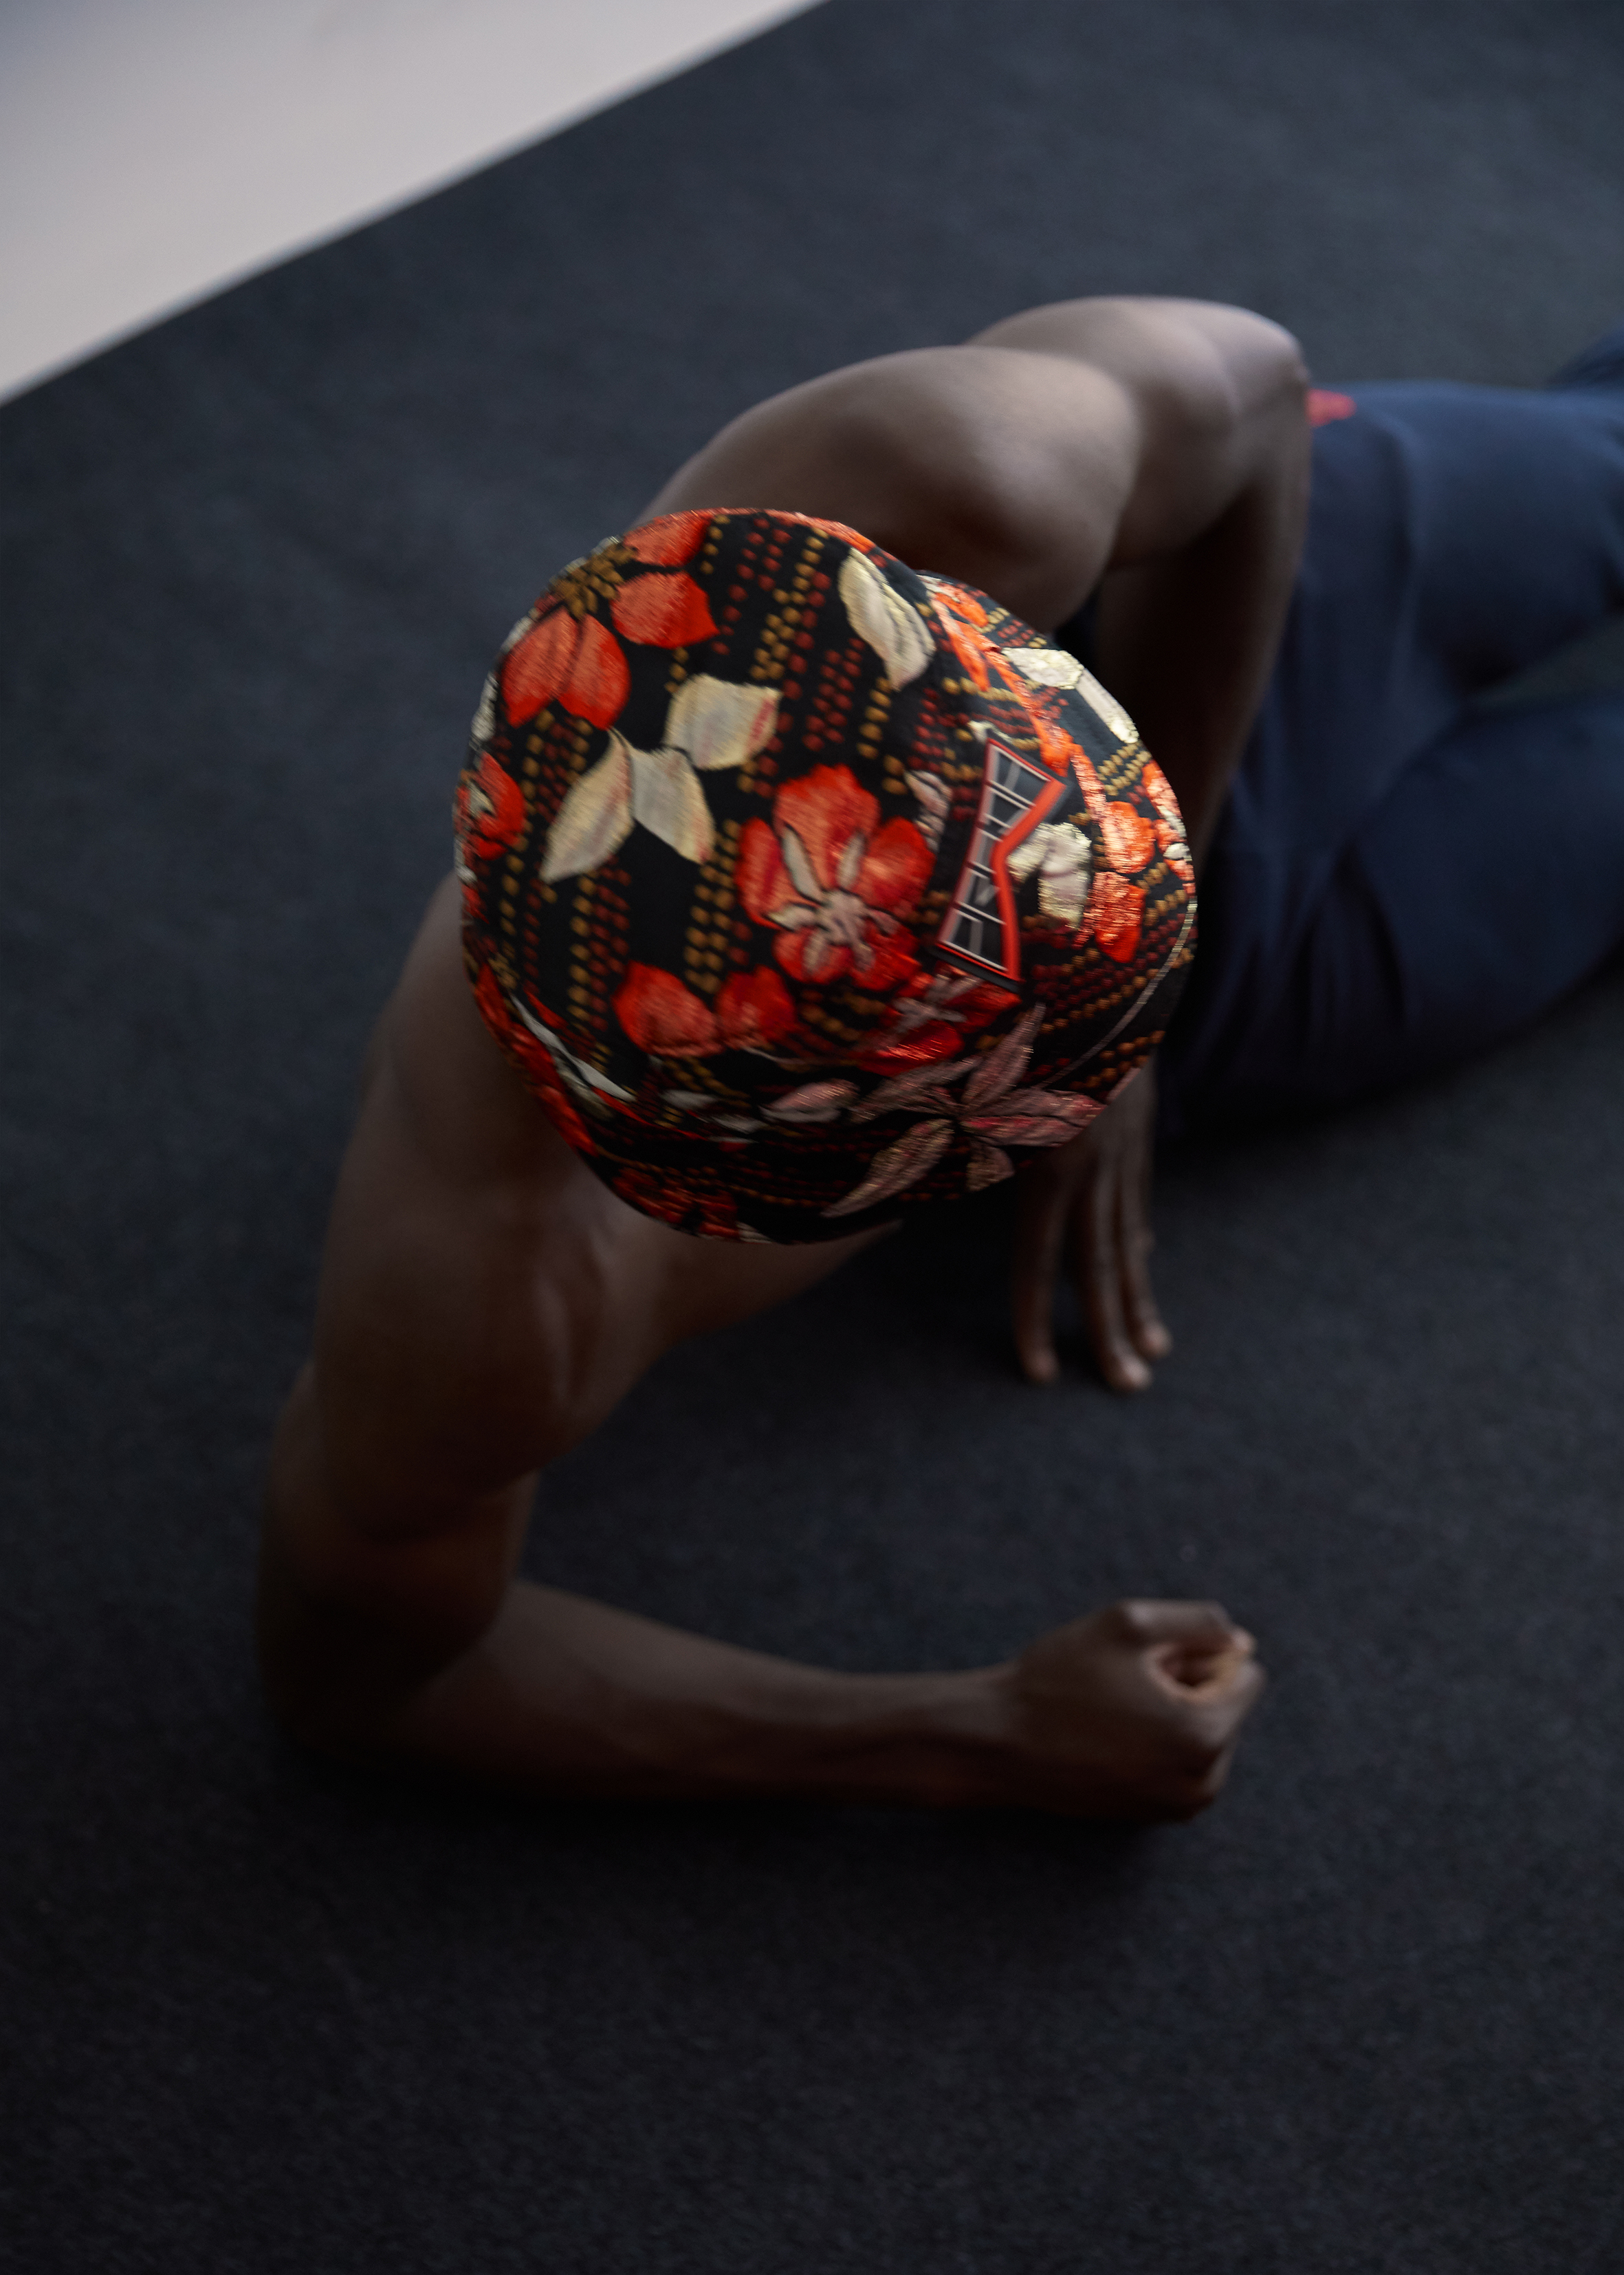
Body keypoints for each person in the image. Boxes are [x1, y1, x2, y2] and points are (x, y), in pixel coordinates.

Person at [259, 297, 1624, 1820]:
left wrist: (1149, 913)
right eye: (1063, 1063)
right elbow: (371, 1683)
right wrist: (982, 1729)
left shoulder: (939, 478)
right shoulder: (491, 1304)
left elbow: (1252, 392)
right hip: (1250, 994)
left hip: (1204, 620)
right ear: (834, 1175)